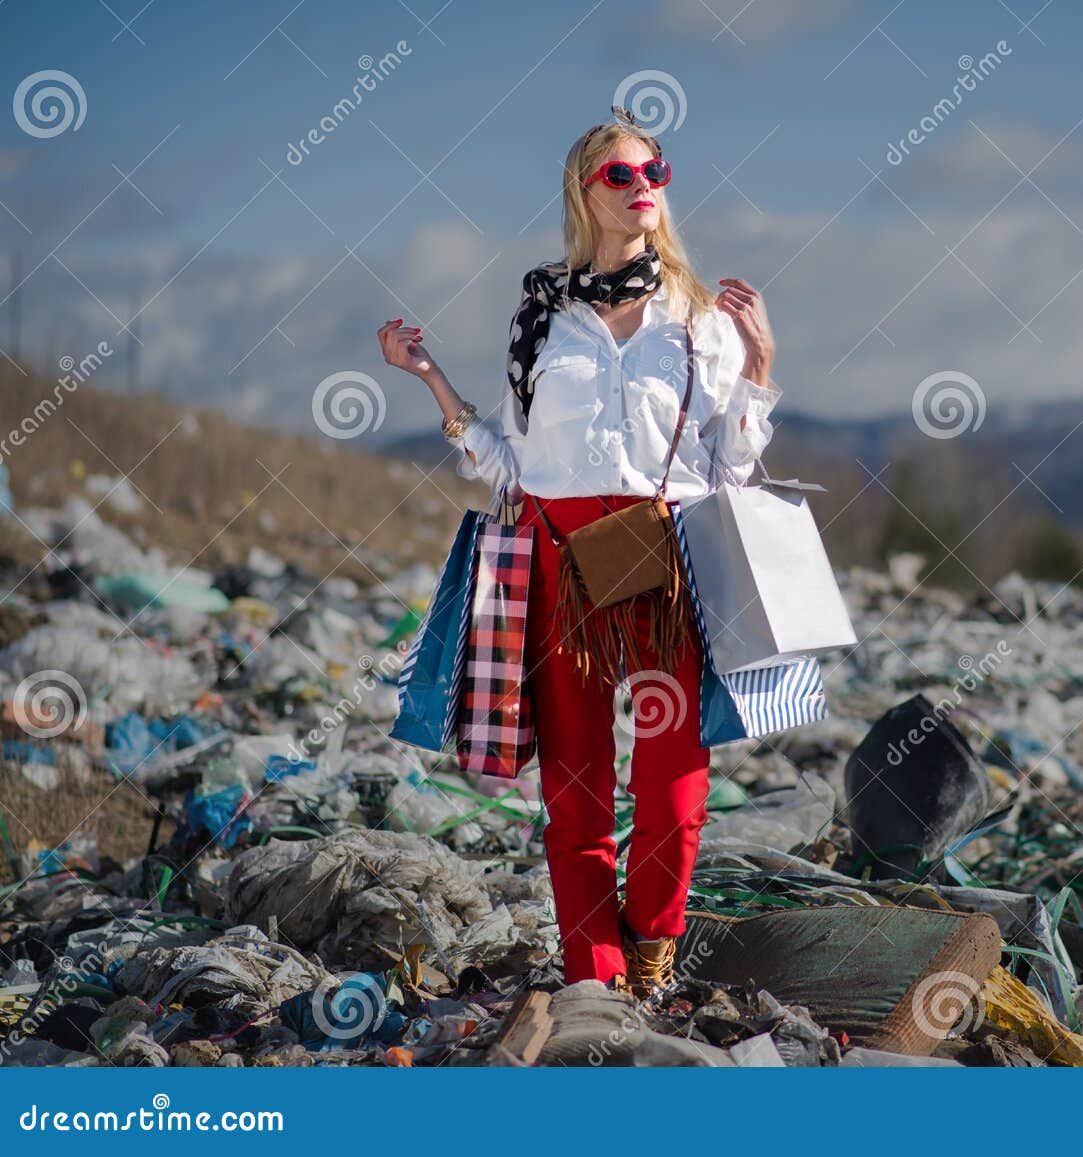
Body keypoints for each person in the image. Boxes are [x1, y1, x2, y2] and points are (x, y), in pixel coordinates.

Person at [377, 108, 780, 997]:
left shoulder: (699, 320)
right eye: (622, 177)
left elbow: (731, 465)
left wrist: (757, 368)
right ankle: (595, 978)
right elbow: (515, 464)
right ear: (585, 193)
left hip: (665, 560)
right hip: (559, 555)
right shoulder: (541, 318)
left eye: (656, 173)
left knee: (675, 787)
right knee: (575, 791)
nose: (644, 190)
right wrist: (431, 379)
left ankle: (653, 939)